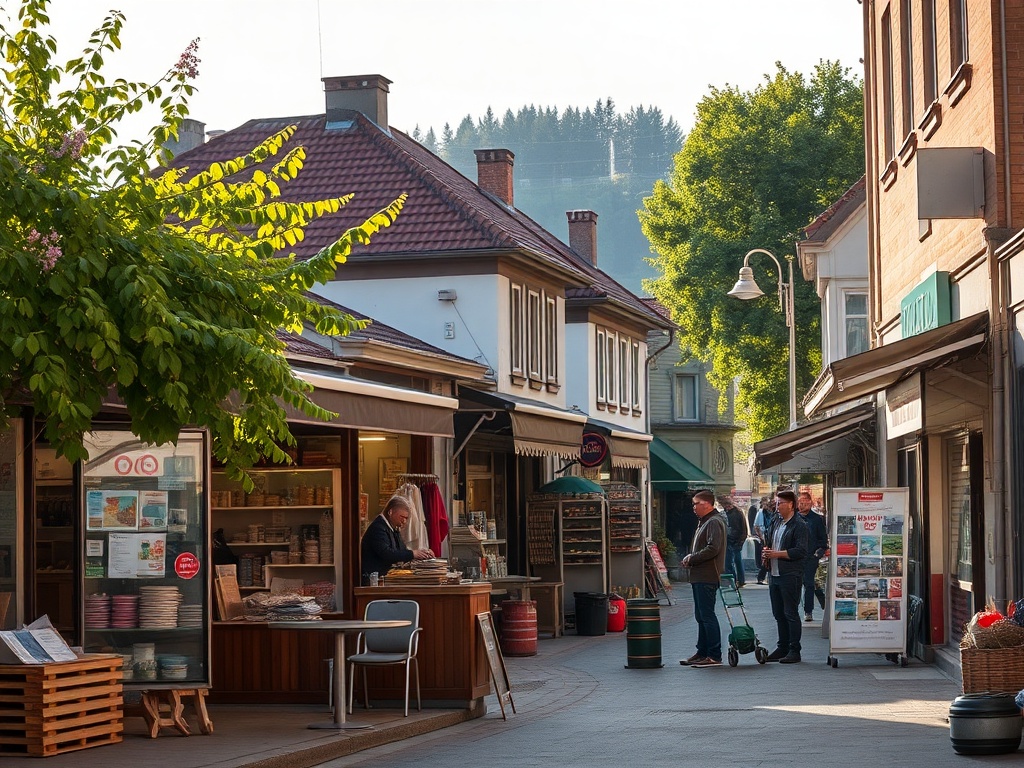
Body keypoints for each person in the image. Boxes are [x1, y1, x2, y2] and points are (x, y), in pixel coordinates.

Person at [680, 489, 728, 668]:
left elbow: (713, 548)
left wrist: (692, 557)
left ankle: (714, 655)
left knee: (707, 615)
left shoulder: (714, 522)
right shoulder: (705, 521)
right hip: (699, 575)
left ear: (707, 504)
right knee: (701, 616)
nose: (693, 507)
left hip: (707, 575)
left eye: (696, 503)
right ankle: (702, 652)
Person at [761, 490, 808, 663]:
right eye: (776, 503)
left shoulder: (799, 524)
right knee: (778, 613)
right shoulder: (776, 521)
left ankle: (794, 650)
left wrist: (777, 554)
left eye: (780, 503)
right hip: (774, 574)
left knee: (790, 613)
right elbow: (769, 541)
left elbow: (801, 550)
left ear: (791, 505)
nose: (777, 506)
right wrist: (766, 551)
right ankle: (782, 647)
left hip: (790, 574)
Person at [360, 495, 434, 585]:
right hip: (373, 580)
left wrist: (421, 554)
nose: (404, 521)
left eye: (406, 518)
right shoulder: (378, 527)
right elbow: (387, 553)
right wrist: (413, 554)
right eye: (402, 517)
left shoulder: (392, 527)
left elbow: (401, 550)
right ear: (390, 512)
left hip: (383, 578)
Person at [798, 491, 828, 621]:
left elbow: (823, 540)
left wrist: (817, 554)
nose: (802, 504)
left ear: (810, 502)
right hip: (795, 558)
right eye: (800, 502)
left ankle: (808, 611)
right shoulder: (794, 518)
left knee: (808, 583)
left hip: (810, 557)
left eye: (804, 501)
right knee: (798, 584)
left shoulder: (816, 519)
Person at [719, 495, 747, 588]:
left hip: (734, 539)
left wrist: (740, 541)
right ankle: (738, 580)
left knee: (732, 561)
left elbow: (742, 528)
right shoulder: (730, 512)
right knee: (735, 561)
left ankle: (735, 580)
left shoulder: (737, 512)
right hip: (732, 539)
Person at [752, 496, 772, 584]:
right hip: (765, 537)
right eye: (765, 504)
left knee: (768, 557)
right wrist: (761, 537)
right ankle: (761, 577)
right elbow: (756, 526)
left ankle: (763, 577)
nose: (766, 506)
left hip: (770, 536)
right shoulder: (761, 512)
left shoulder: (771, 513)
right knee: (766, 558)